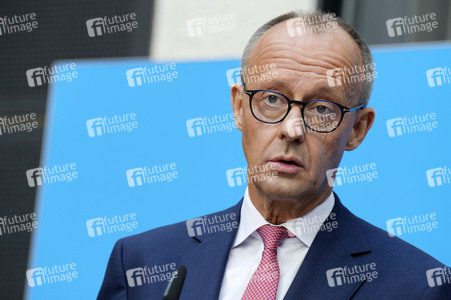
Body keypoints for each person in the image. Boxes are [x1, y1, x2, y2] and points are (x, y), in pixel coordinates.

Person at [98, 11, 451, 299]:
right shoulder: (142, 262)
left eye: (322, 108)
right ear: (238, 107)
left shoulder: (416, 286)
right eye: (271, 99)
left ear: (358, 129)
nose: (292, 129)